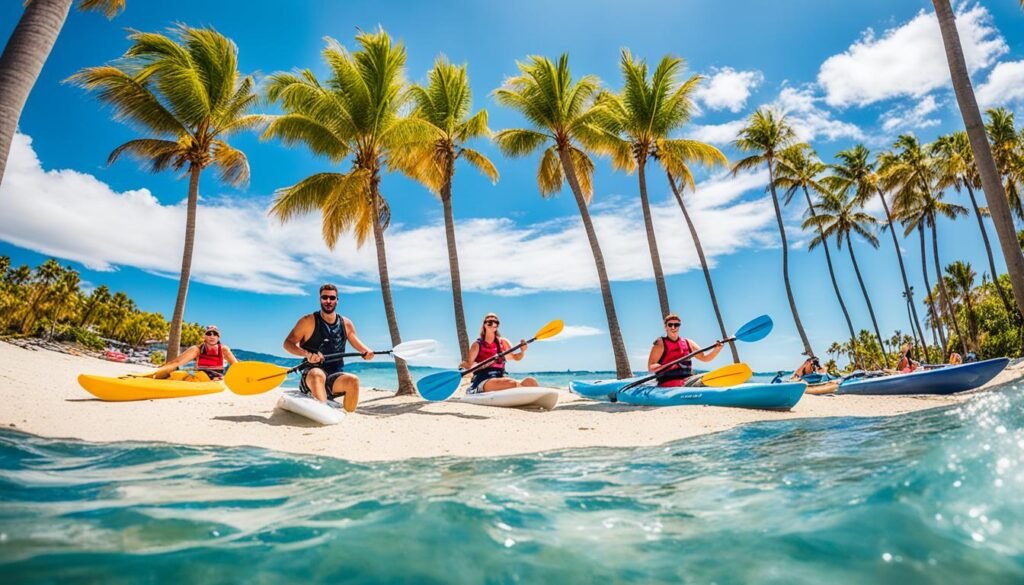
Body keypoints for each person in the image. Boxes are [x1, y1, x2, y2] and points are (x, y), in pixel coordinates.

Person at [283, 284, 373, 411]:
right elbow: (288, 343)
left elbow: (356, 341)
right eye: (324, 297)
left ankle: (347, 415)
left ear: (337, 300)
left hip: (334, 378)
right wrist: (307, 354)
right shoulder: (308, 321)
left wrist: (367, 352)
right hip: (312, 376)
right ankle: (322, 410)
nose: (328, 301)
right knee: (317, 374)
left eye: (332, 298)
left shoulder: (346, 323)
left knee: (353, 381)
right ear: (320, 299)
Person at [463, 313, 538, 393]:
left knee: (531, 381)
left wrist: (523, 351)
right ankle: (525, 392)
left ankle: (531, 394)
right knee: (510, 383)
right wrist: (462, 365)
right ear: (484, 324)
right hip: (483, 380)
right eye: (490, 321)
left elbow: (516, 358)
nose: (493, 324)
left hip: (500, 377)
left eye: (496, 322)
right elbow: (468, 365)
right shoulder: (477, 345)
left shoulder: (503, 342)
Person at [647, 313, 724, 387]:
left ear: (679, 326)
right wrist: (669, 365)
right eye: (670, 325)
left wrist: (717, 349)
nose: (673, 327)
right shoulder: (660, 344)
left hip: (687, 381)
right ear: (665, 327)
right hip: (668, 383)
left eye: (676, 325)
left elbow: (705, 358)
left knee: (709, 377)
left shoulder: (689, 343)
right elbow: (651, 367)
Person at [153, 325, 238, 380]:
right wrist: (157, 372)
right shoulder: (196, 349)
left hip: (216, 379)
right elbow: (176, 362)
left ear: (218, 337)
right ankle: (156, 377)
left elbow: (236, 366)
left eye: (215, 334)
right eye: (209, 334)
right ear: (204, 336)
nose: (212, 336)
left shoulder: (224, 349)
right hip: (200, 376)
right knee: (177, 374)